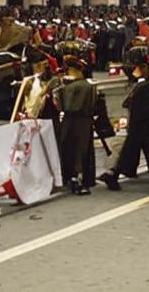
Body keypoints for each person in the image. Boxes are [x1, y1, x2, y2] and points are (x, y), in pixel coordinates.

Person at [100, 44, 149, 191]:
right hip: (144, 125)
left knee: (135, 152)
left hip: (139, 124)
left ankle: (114, 174)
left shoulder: (146, 85)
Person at [53, 52, 97, 195]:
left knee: (70, 148)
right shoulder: (88, 86)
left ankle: (71, 177)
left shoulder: (66, 88)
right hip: (84, 120)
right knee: (82, 149)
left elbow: (63, 106)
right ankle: (83, 177)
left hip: (70, 120)